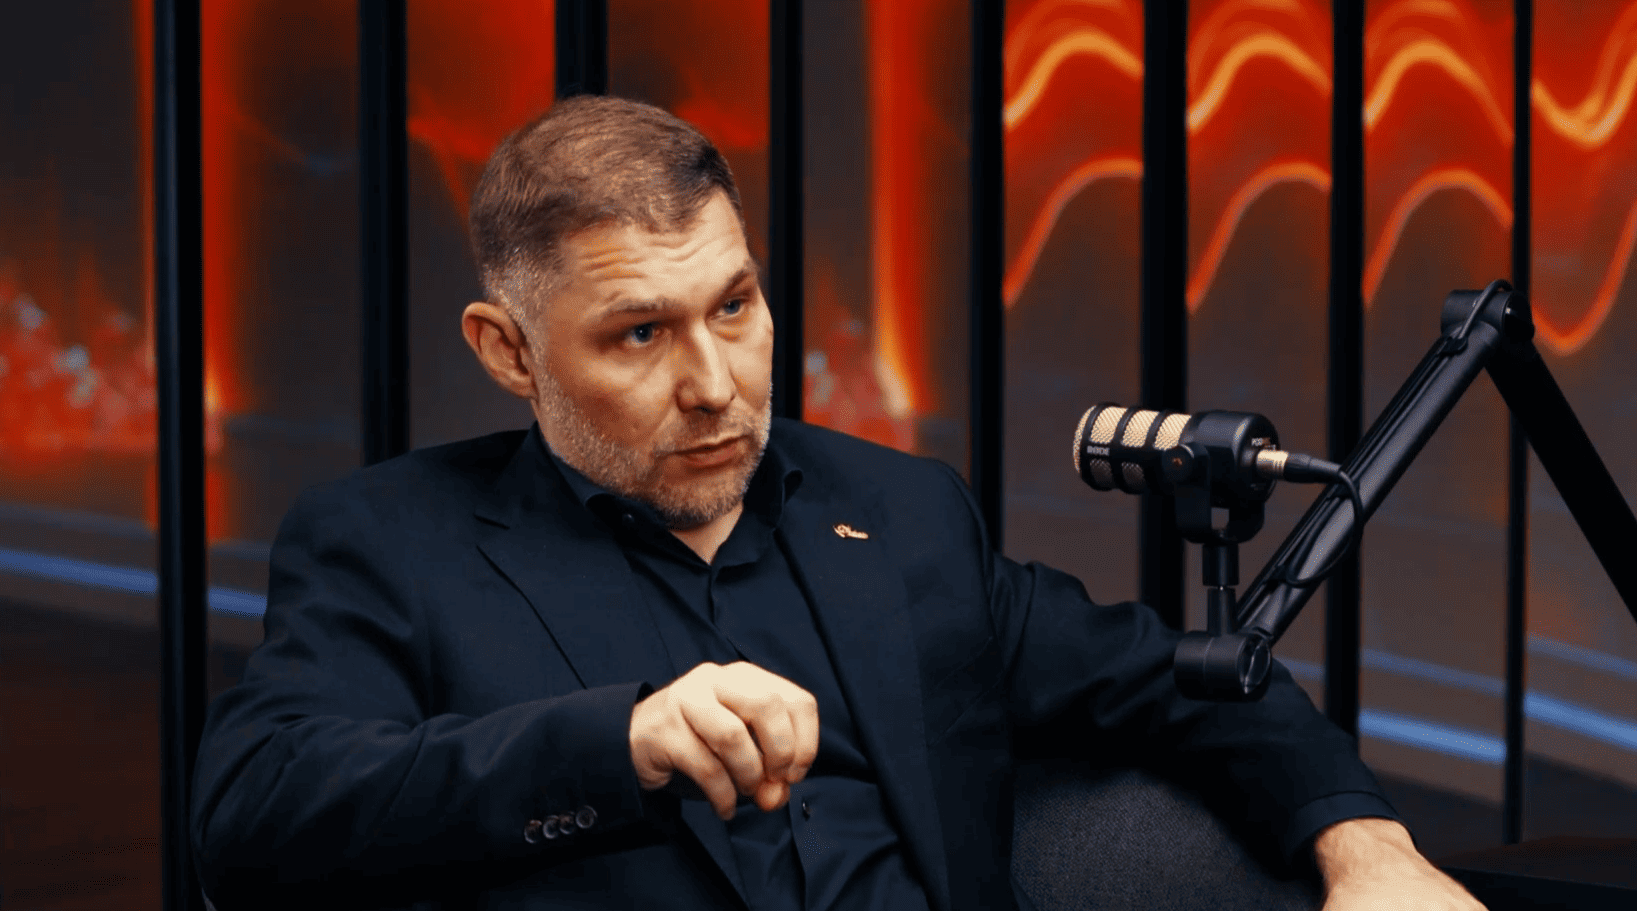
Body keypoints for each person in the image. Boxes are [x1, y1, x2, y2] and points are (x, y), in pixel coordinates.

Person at [190, 95, 1485, 911]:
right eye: (640, 333)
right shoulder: (389, 542)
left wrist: (1366, 845)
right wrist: (619, 744)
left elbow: (1187, 682)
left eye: (734, 307)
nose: (715, 384)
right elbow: (253, 816)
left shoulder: (902, 516)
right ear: (509, 351)